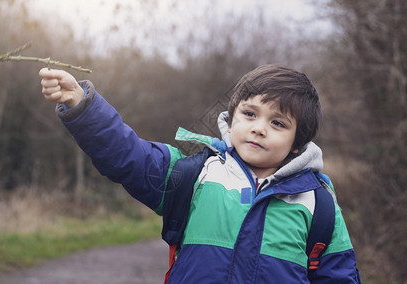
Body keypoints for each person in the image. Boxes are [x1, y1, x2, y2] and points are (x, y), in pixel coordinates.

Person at [39, 64, 361, 283]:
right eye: (250, 114)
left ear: (297, 142)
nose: (259, 128)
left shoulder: (318, 204)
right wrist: (83, 106)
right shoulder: (196, 172)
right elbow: (128, 154)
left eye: (278, 123)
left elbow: (339, 275)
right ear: (232, 118)